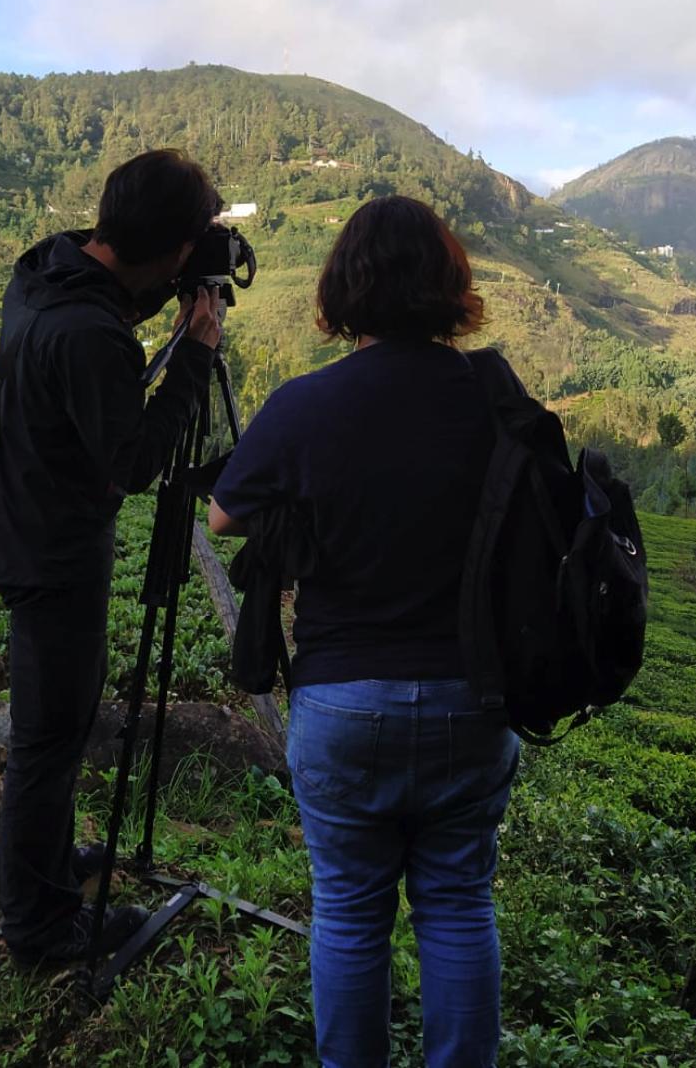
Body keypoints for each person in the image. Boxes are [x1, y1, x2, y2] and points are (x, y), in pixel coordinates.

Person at [208, 195, 523, 1068]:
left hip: (343, 697)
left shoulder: (307, 404)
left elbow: (224, 515)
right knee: (458, 905)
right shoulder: (494, 398)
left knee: (349, 912)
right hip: (474, 693)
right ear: (449, 284)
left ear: (343, 288)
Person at [0, 148, 223, 967]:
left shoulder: (49, 268)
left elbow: (99, 338)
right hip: (53, 554)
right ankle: (38, 926)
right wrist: (193, 356)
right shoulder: (91, 334)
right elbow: (135, 463)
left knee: (57, 727)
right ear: (175, 249)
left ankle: (42, 864)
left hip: (17, 523)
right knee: (49, 739)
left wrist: (166, 300)